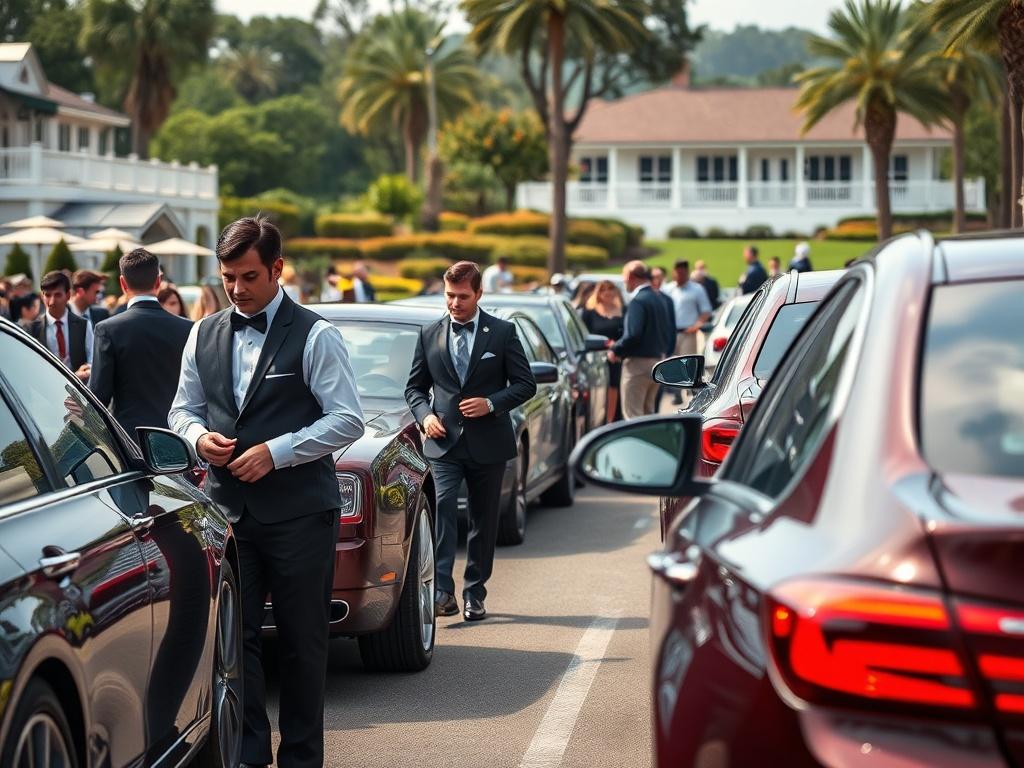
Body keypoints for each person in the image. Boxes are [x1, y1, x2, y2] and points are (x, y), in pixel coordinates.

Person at [168, 216, 364, 768]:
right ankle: (249, 756)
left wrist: (276, 451)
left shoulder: (317, 334)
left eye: (249, 276)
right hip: (229, 516)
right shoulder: (201, 333)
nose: (236, 288)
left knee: (303, 646)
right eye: (228, 276)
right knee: (238, 642)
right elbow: (180, 409)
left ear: (277, 269)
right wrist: (196, 436)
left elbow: (347, 419)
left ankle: (302, 759)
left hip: (302, 515)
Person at [405, 260, 536, 622]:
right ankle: (443, 589)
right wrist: (426, 416)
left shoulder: (503, 333)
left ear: (479, 294)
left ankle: (475, 592)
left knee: (483, 520)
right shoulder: (429, 334)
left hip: (489, 443)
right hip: (444, 444)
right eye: (449, 295)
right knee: (444, 507)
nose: (454, 303)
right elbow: (414, 388)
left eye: (462, 296)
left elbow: (526, 384)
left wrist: (492, 403)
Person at [88, 249, 193, 439]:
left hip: (131, 439)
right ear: (158, 282)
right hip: (178, 436)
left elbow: (99, 396)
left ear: (122, 283)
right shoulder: (188, 328)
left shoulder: (108, 329)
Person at [609, 261, 673, 419]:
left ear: (631, 276)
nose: (624, 282)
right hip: (657, 362)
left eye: (624, 277)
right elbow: (669, 332)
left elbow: (633, 334)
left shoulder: (638, 300)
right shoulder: (659, 298)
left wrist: (615, 349)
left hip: (638, 364)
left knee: (633, 416)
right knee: (648, 415)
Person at [29, 271, 92, 383]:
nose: (52, 301)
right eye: (47, 295)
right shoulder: (32, 328)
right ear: (42, 296)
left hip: (78, 390)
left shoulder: (83, 325)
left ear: (68, 295)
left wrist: (86, 370)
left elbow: (92, 359)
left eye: (57, 295)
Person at [581, 280, 624, 424]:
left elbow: (628, 334)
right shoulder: (589, 313)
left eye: (611, 289)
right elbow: (584, 337)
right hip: (595, 357)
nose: (608, 292)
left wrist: (616, 346)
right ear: (598, 293)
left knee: (614, 385)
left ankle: (611, 422)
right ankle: (598, 420)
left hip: (616, 357)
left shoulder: (623, 311)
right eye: (604, 289)